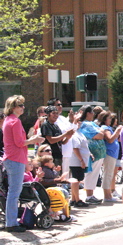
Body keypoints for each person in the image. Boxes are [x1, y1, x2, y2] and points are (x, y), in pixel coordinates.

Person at [2, 95, 45, 233]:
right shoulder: (14, 121)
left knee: (13, 192)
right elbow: (20, 143)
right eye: (20, 105)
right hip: (15, 159)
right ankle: (11, 223)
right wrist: (34, 140)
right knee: (14, 192)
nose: (23, 108)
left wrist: (31, 139)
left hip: (13, 158)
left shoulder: (9, 120)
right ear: (13, 107)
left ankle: (11, 221)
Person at [79, 105, 106, 204]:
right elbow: (100, 135)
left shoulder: (91, 124)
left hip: (98, 153)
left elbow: (101, 132)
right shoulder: (85, 125)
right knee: (91, 174)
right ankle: (89, 195)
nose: (93, 114)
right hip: (92, 152)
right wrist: (100, 132)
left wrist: (100, 131)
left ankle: (91, 194)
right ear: (88, 113)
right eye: (92, 112)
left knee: (94, 174)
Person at [47, 98, 76, 176]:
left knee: (67, 173)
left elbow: (71, 130)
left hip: (68, 149)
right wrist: (66, 135)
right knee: (60, 173)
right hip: (59, 151)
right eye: (58, 104)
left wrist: (72, 120)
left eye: (61, 104)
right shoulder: (51, 121)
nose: (60, 106)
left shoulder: (63, 119)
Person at [98, 111, 122, 202]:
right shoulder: (105, 128)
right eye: (109, 118)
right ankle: (107, 196)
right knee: (108, 174)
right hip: (109, 154)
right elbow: (110, 140)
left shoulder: (108, 128)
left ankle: (108, 195)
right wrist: (117, 131)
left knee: (109, 174)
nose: (111, 120)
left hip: (112, 154)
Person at [68, 115, 91, 207]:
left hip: (80, 160)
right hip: (76, 162)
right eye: (77, 121)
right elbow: (75, 148)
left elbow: (83, 147)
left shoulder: (79, 133)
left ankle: (73, 199)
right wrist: (81, 160)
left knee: (77, 180)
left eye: (80, 121)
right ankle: (77, 200)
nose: (80, 123)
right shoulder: (74, 134)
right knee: (76, 180)